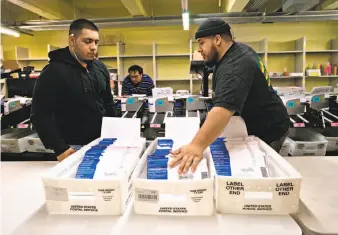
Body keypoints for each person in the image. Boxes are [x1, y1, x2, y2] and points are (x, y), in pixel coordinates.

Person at [169, 18, 289, 173]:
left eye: (201, 43)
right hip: (256, 121)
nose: (199, 49)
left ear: (217, 39)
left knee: (259, 173)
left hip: (269, 129)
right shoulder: (236, 51)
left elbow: (222, 110)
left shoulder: (235, 66)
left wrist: (196, 146)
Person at [31, 19, 116, 162]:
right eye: (88, 41)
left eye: (96, 42)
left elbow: (108, 102)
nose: (93, 47)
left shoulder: (100, 68)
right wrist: (60, 148)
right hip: (72, 147)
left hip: (101, 143)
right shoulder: (54, 71)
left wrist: (114, 133)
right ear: (72, 40)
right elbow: (40, 115)